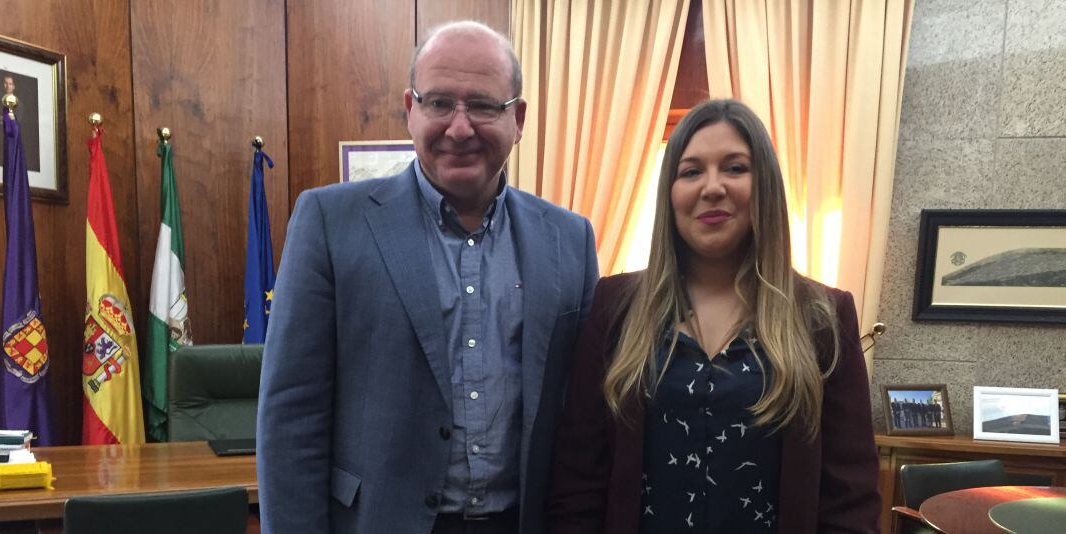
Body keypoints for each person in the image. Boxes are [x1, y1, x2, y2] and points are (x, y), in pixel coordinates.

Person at [257, 21, 599, 534]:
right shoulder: (330, 222)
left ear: (519, 118)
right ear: (410, 109)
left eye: (483, 105)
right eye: (439, 103)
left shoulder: (569, 240)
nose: (459, 128)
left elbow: (581, 419)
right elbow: (291, 419)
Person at [547, 99, 879, 533]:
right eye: (691, 171)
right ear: (670, 191)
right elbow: (578, 482)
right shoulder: (615, 307)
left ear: (765, 185)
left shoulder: (823, 318)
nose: (712, 187)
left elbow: (851, 497)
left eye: (735, 168)